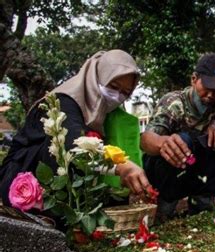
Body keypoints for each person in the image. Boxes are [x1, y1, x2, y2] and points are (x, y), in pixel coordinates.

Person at [0, 49, 150, 206]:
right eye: (112, 86)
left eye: (125, 93)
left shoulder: (105, 115)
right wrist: (120, 165)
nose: (116, 96)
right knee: (65, 148)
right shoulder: (64, 101)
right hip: (21, 182)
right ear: (96, 77)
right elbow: (73, 143)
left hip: (61, 191)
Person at [141, 53, 215, 219]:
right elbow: (146, 140)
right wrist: (163, 142)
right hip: (163, 170)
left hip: (192, 167)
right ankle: (166, 201)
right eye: (208, 86)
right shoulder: (174, 103)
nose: (211, 94)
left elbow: (211, 137)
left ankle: (202, 198)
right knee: (184, 140)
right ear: (194, 79)